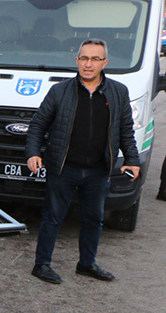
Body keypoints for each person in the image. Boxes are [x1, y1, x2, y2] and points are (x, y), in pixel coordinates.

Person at [25, 39, 140, 284]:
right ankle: (42, 264)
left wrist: (132, 159)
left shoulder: (118, 92)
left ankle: (87, 264)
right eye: (84, 58)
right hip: (63, 168)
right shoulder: (60, 91)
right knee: (53, 217)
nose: (89, 64)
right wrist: (33, 153)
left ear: (104, 63)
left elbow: (125, 130)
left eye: (95, 59)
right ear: (77, 61)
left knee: (94, 219)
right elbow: (37, 125)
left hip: (98, 170)